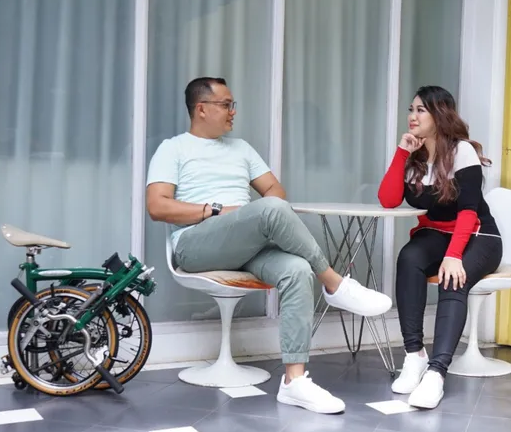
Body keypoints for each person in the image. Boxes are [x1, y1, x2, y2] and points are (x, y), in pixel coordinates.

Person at [146, 77, 392, 414]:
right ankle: (335, 284)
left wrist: (247, 219)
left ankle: (294, 381)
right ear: (201, 109)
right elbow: (157, 206)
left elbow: (275, 191)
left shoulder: (242, 149)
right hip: (196, 244)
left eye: (233, 105)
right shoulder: (173, 149)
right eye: (226, 104)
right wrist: (216, 211)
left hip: (244, 244)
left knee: (297, 269)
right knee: (271, 210)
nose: (233, 111)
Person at [377, 85, 502, 409]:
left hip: (479, 236)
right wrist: (402, 152)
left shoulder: (462, 151)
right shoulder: (416, 158)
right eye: (411, 109)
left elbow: (468, 211)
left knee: (452, 279)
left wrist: (454, 256)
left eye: (421, 110)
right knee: (409, 257)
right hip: (436, 234)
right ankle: (414, 355)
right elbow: (388, 200)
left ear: (439, 115)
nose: (412, 116)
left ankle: (436, 373)